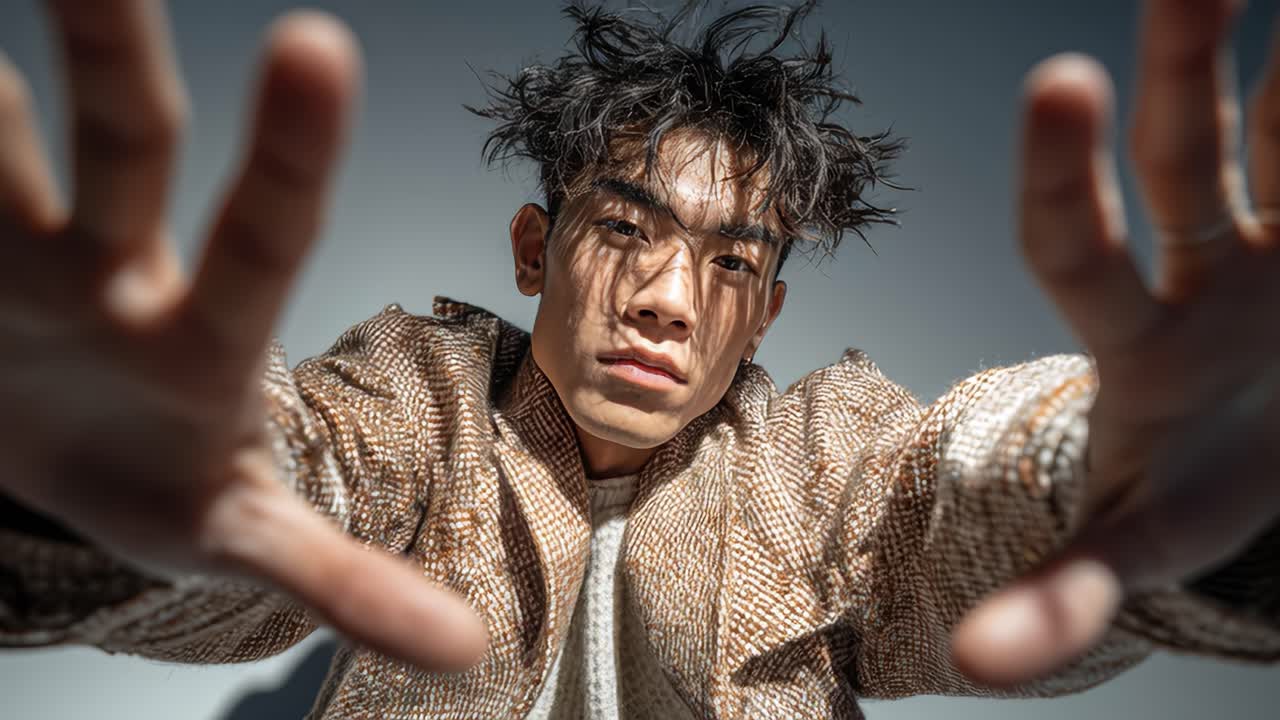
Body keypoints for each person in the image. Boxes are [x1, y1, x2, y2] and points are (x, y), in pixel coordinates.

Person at [1, 0, 1278, 717]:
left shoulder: (818, 455)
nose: (670, 299)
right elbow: (310, 472)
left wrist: (1105, 461)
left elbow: (947, 500)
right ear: (532, 248)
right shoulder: (420, 401)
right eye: (624, 229)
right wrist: (79, 484)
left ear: (764, 313)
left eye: (730, 263)